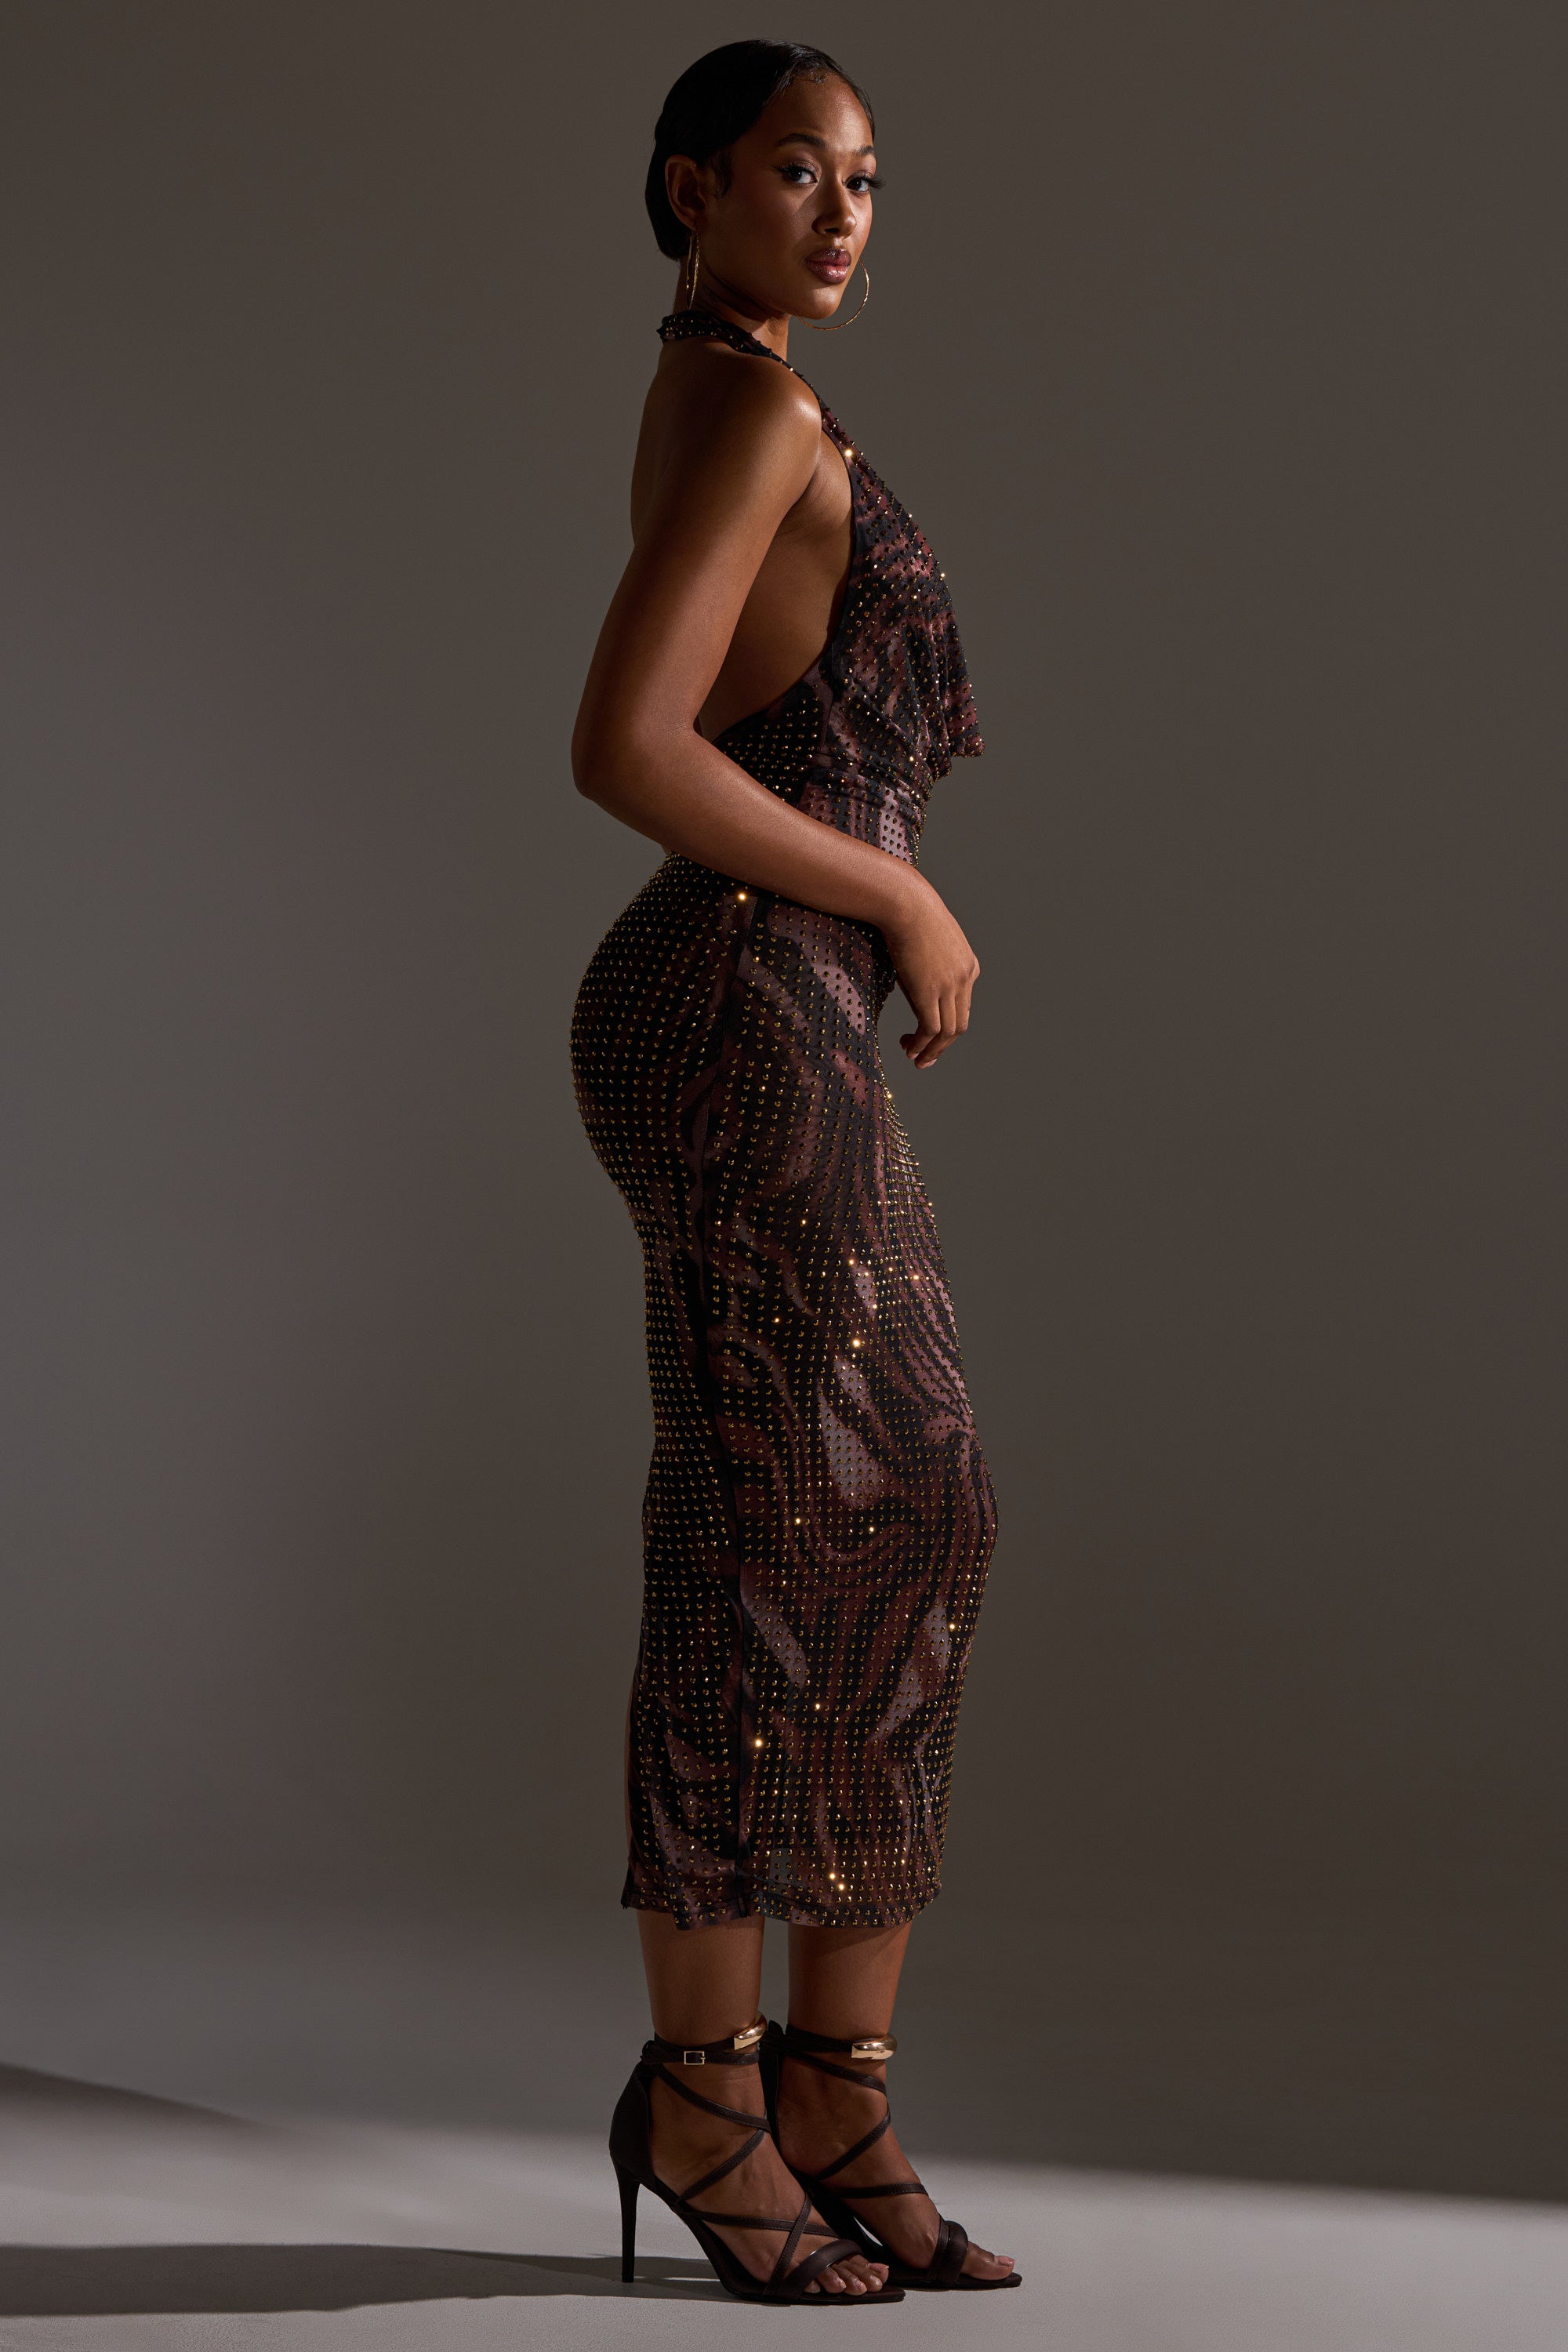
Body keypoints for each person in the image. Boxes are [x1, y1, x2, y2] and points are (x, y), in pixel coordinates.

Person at [570, 40, 1018, 2303]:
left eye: (865, 179)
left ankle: (834, 2091)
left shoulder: (746, 393)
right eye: (793, 172)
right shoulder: (748, 410)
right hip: (738, 991)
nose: (842, 211)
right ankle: (712, 2085)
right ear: (692, 187)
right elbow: (624, 740)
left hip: (776, 1002)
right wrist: (902, 898)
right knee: (778, 1519)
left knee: (898, 1500)